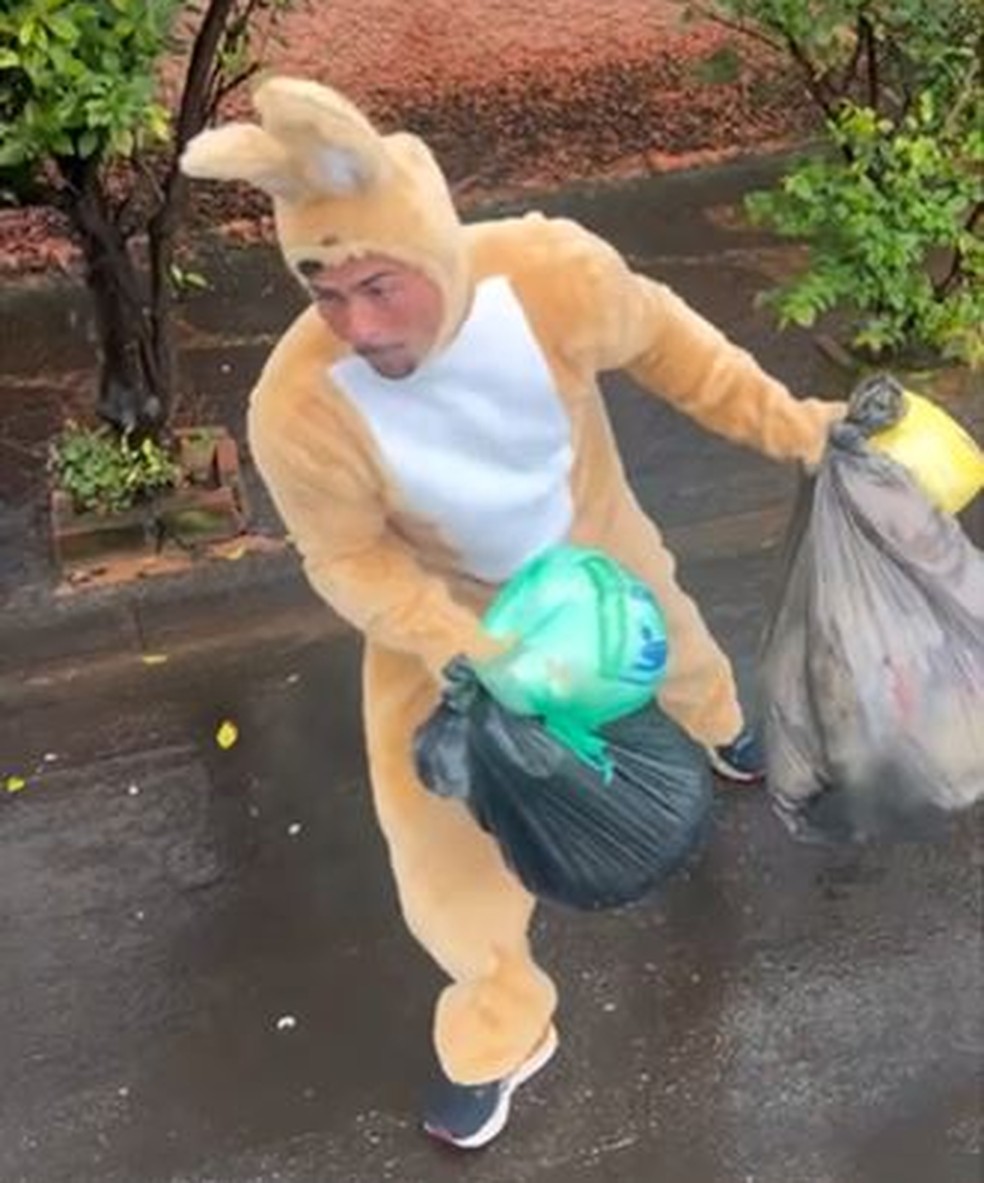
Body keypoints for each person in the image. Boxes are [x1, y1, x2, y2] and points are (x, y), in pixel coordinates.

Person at [180, 75, 842, 1150]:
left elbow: (684, 356)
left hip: (590, 550)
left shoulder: (550, 276)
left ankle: (724, 728)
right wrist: (474, 650)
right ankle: (500, 1018)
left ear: (433, 251)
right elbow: (344, 561)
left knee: (670, 636)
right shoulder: (298, 406)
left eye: (381, 285)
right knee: (434, 834)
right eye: (324, 292)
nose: (358, 324)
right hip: (444, 623)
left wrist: (802, 427)